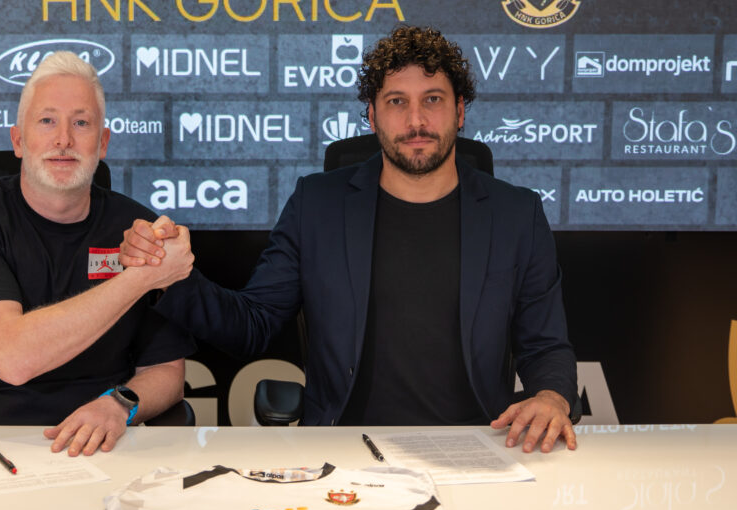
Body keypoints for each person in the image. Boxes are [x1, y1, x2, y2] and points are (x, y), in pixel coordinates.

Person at [122, 26, 579, 453]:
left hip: (477, 445)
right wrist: (171, 276)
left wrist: (553, 397)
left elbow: (546, 345)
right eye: (397, 101)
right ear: (372, 116)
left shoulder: (516, 213)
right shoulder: (317, 204)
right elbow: (252, 324)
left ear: (460, 111)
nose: (416, 120)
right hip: (345, 450)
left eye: (433, 99)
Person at [0, 52, 194, 456]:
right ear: (18, 140)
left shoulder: (139, 230)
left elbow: (166, 370)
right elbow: (13, 359)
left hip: (97, 447)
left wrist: (119, 404)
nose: (63, 139)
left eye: (81, 123)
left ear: (103, 143)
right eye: (47, 121)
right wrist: (141, 279)